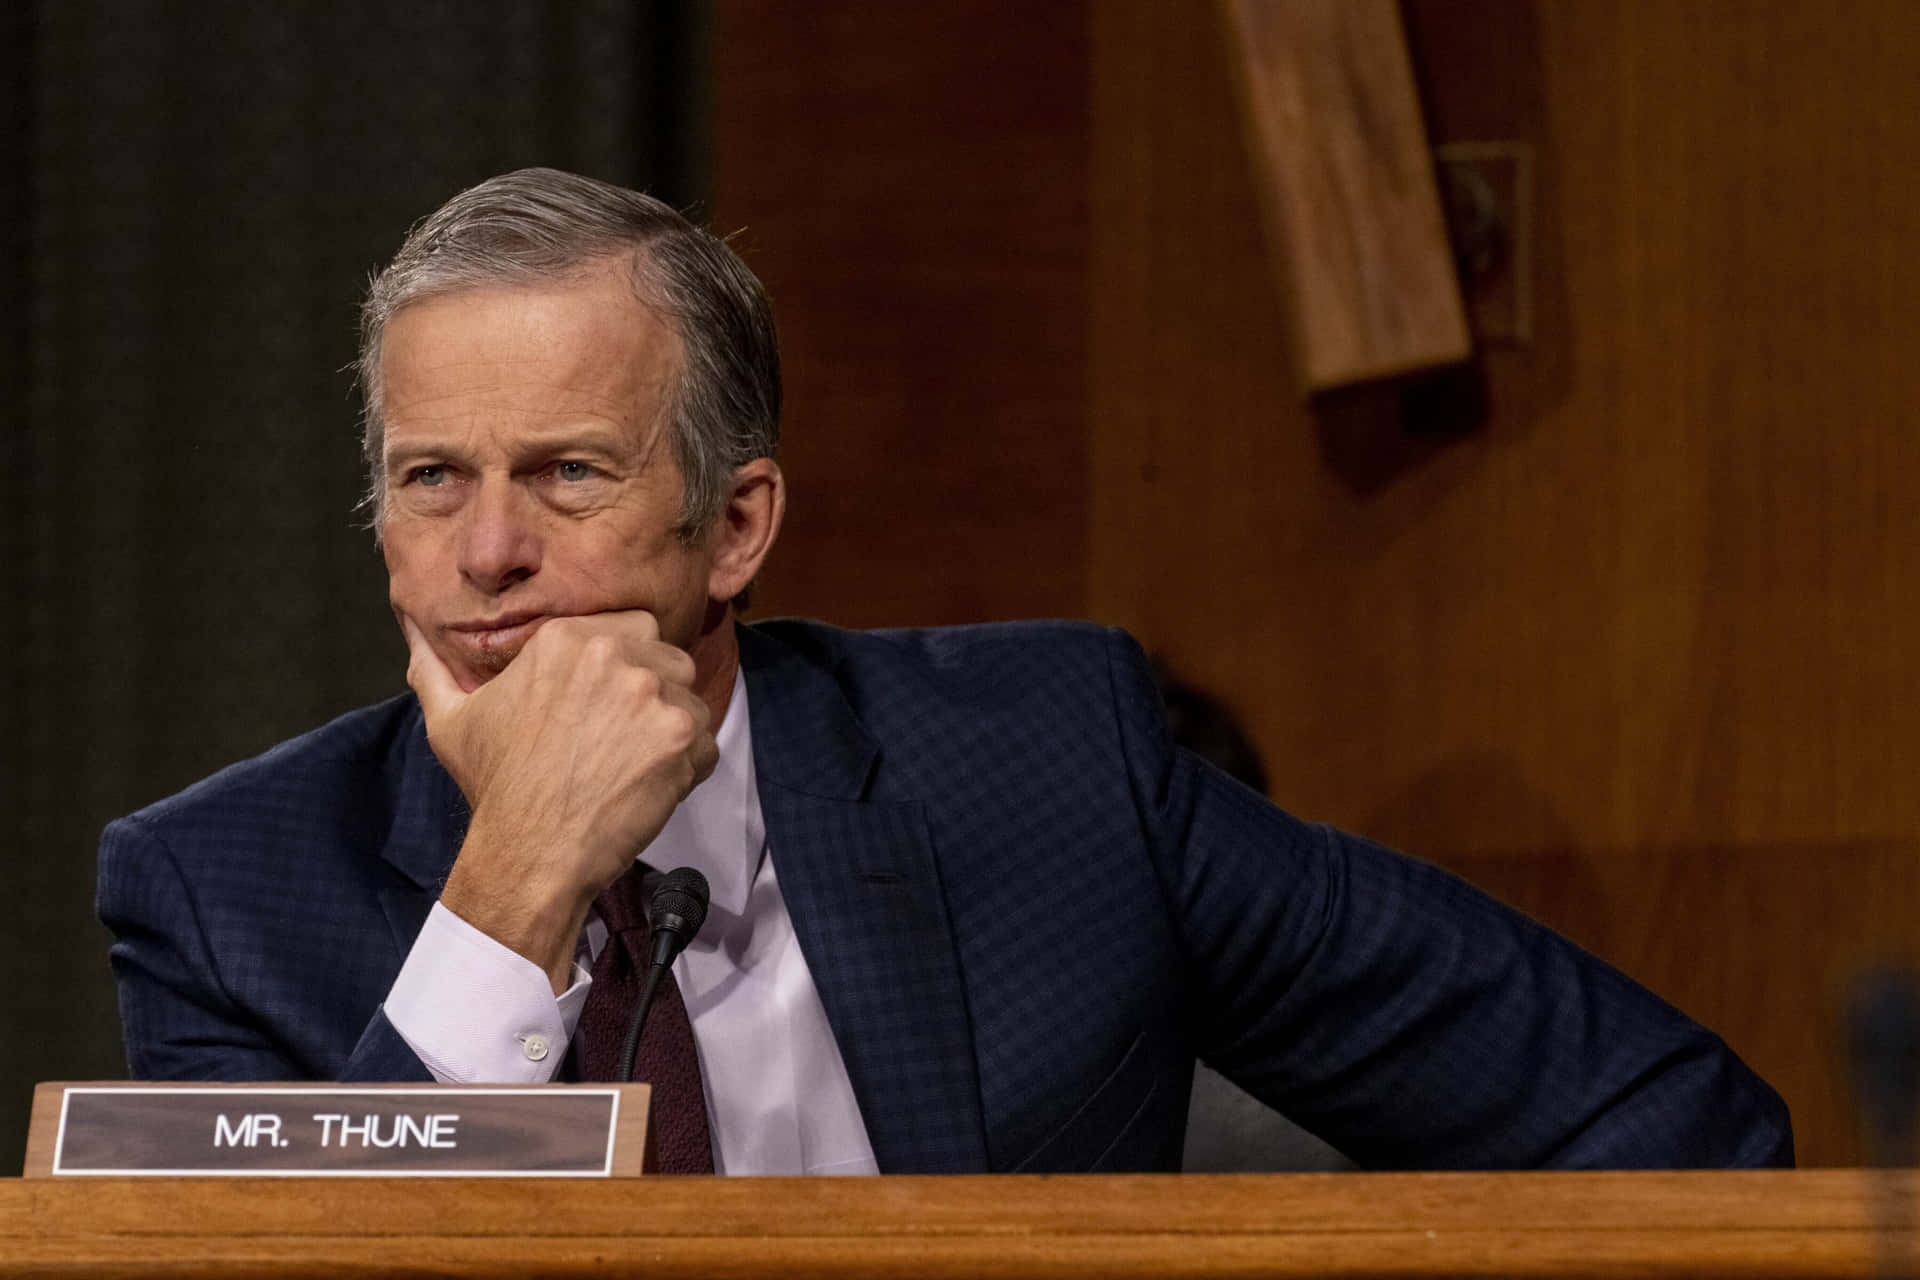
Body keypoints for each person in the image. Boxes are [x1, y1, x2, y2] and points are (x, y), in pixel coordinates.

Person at [98, 168, 1793, 1175]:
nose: (486, 556)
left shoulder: (1046, 765)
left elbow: (1653, 1115)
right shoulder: (225, 888)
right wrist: (516, 888)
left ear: (737, 527)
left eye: (568, 474)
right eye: (430, 479)